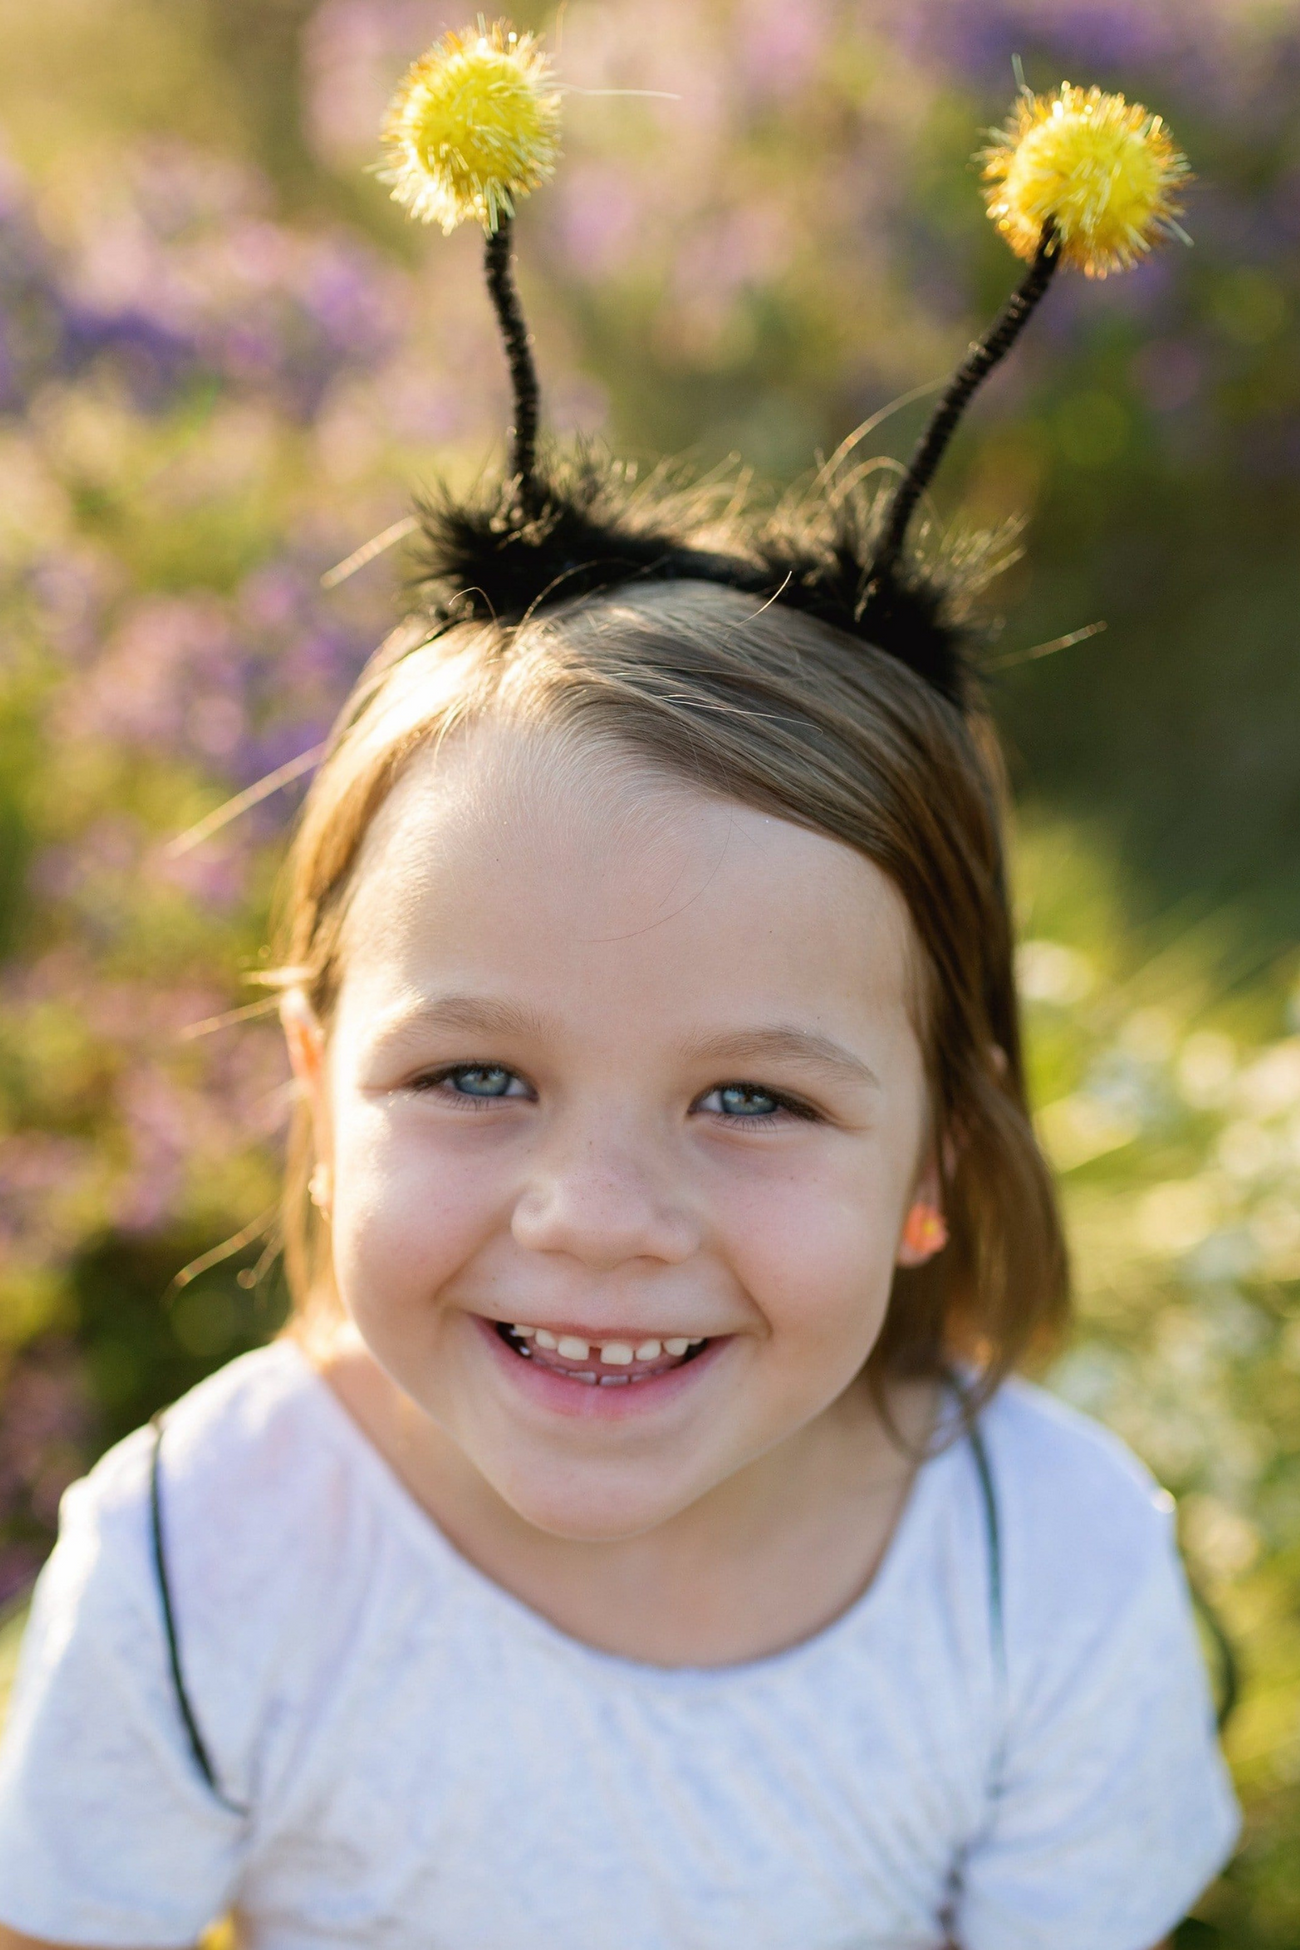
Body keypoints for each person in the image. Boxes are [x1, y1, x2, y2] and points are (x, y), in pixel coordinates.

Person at [0, 25, 1239, 1950]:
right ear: (316, 1095)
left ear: (935, 1157)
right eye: (478, 1075)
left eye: (752, 1097)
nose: (592, 1220)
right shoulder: (196, 1556)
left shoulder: (1045, 1579)